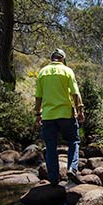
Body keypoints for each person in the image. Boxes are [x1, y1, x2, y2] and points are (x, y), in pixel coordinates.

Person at [34, 48, 85, 185]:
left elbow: (38, 97)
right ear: (62, 59)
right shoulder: (67, 71)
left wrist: (38, 114)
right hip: (66, 113)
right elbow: (75, 93)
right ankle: (72, 169)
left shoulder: (42, 73)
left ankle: (53, 178)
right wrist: (80, 111)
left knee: (50, 146)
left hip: (48, 115)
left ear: (52, 58)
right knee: (73, 141)